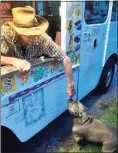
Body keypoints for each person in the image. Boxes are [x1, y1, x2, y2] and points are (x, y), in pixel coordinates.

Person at [1, 6, 75, 98]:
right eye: (29, 35)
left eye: (35, 33)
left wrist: (70, 84)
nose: (34, 38)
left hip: (31, 84)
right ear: (18, 32)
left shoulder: (42, 38)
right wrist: (14, 61)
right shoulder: (5, 34)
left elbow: (65, 58)